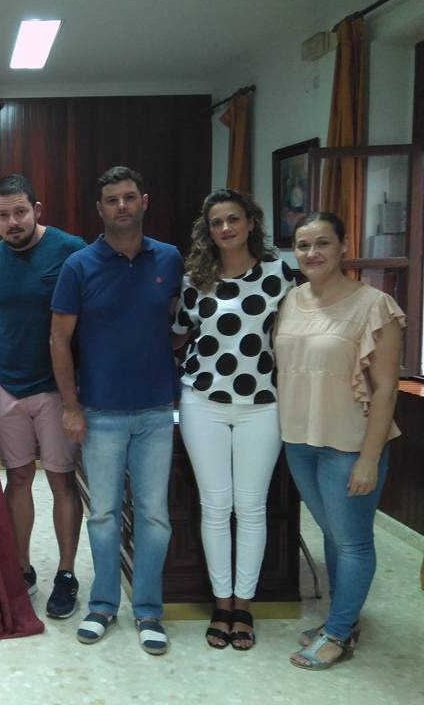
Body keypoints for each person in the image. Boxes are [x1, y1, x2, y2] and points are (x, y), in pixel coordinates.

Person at [50, 166, 183, 655]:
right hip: (101, 412)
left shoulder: (169, 258)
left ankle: (148, 609)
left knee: (154, 516)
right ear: (100, 209)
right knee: (104, 515)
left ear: (144, 201)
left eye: (129, 197)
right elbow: (58, 340)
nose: (121, 206)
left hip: (155, 411)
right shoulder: (79, 266)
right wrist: (70, 407)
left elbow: (181, 324)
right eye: (112, 200)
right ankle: (103, 604)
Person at [275, 211, 404, 670]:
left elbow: (386, 389)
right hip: (299, 440)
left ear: (343, 246)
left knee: (352, 543)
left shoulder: (375, 305)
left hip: (349, 445)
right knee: (331, 533)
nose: (312, 253)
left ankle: (338, 633)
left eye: (322, 243)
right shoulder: (290, 300)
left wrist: (370, 457)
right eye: (303, 245)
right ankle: (341, 620)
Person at [172, 189, 295, 650]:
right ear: (208, 230)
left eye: (233, 219)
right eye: (217, 222)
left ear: (250, 223)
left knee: (251, 506)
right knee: (215, 505)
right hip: (202, 401)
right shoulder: (194, 279)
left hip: (262, 404)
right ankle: (221, 603)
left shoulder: (279, 275)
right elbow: (179, 335)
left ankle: (245, 604)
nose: (226, 228)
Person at [0, 173, 86, 619]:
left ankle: (66, 573)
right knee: (18, 477)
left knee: (61, 479)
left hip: (58, 389)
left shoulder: (71, 250)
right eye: (3, 215)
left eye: (20, 211)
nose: (13, 222)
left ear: (36, 210)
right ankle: (20, 569)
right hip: (7, 385)